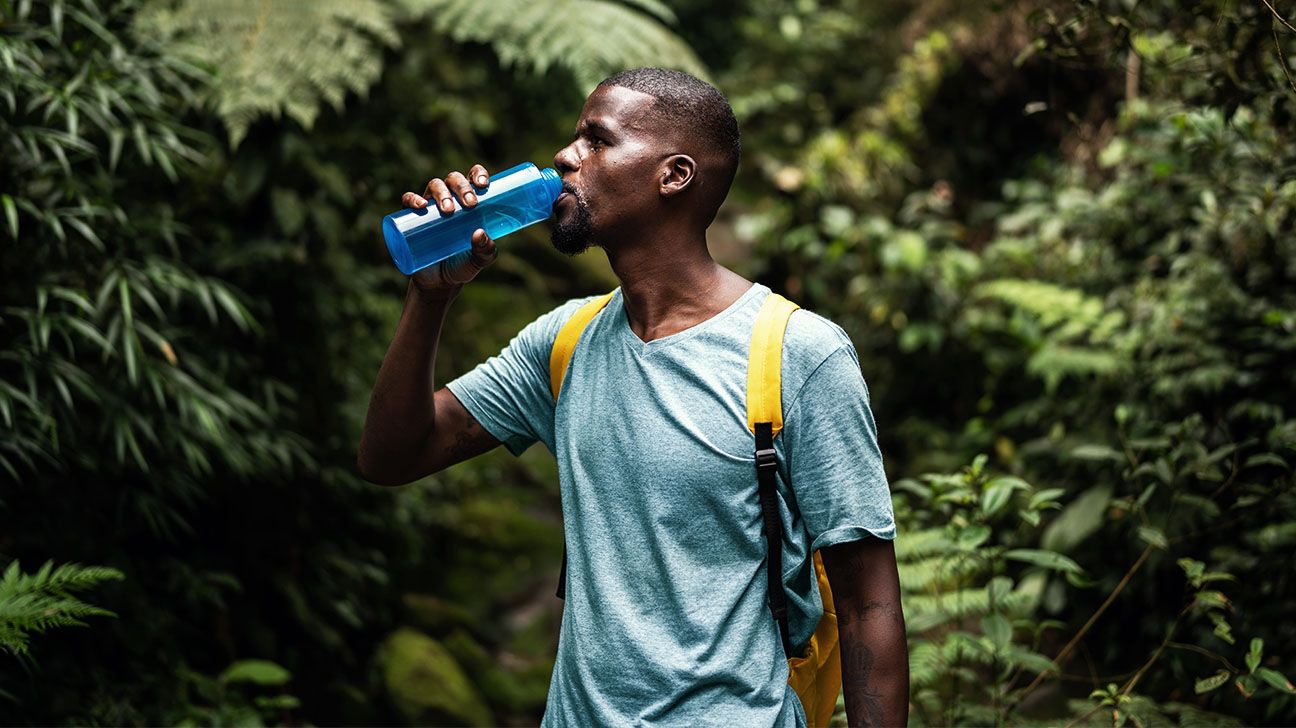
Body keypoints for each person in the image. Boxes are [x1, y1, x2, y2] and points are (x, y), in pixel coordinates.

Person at [357, 67, 908, 727]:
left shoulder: (798, 355)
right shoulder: (562, 343)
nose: (565, 156)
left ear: (674, 175)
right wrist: (429, 299)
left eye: (597, 140)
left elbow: (869, 602)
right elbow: (392, 456)